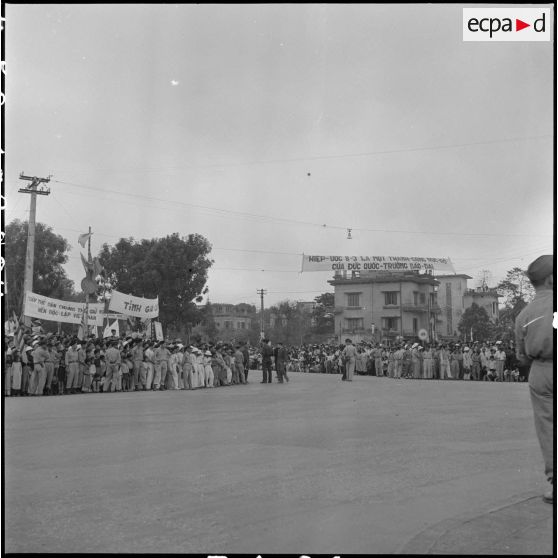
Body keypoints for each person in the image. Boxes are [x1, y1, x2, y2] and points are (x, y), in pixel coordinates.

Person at [515, 254, 554, 504]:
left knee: (548, 427)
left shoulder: (524, 315)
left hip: (541, 371)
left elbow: (521, 356)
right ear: (552, 279)